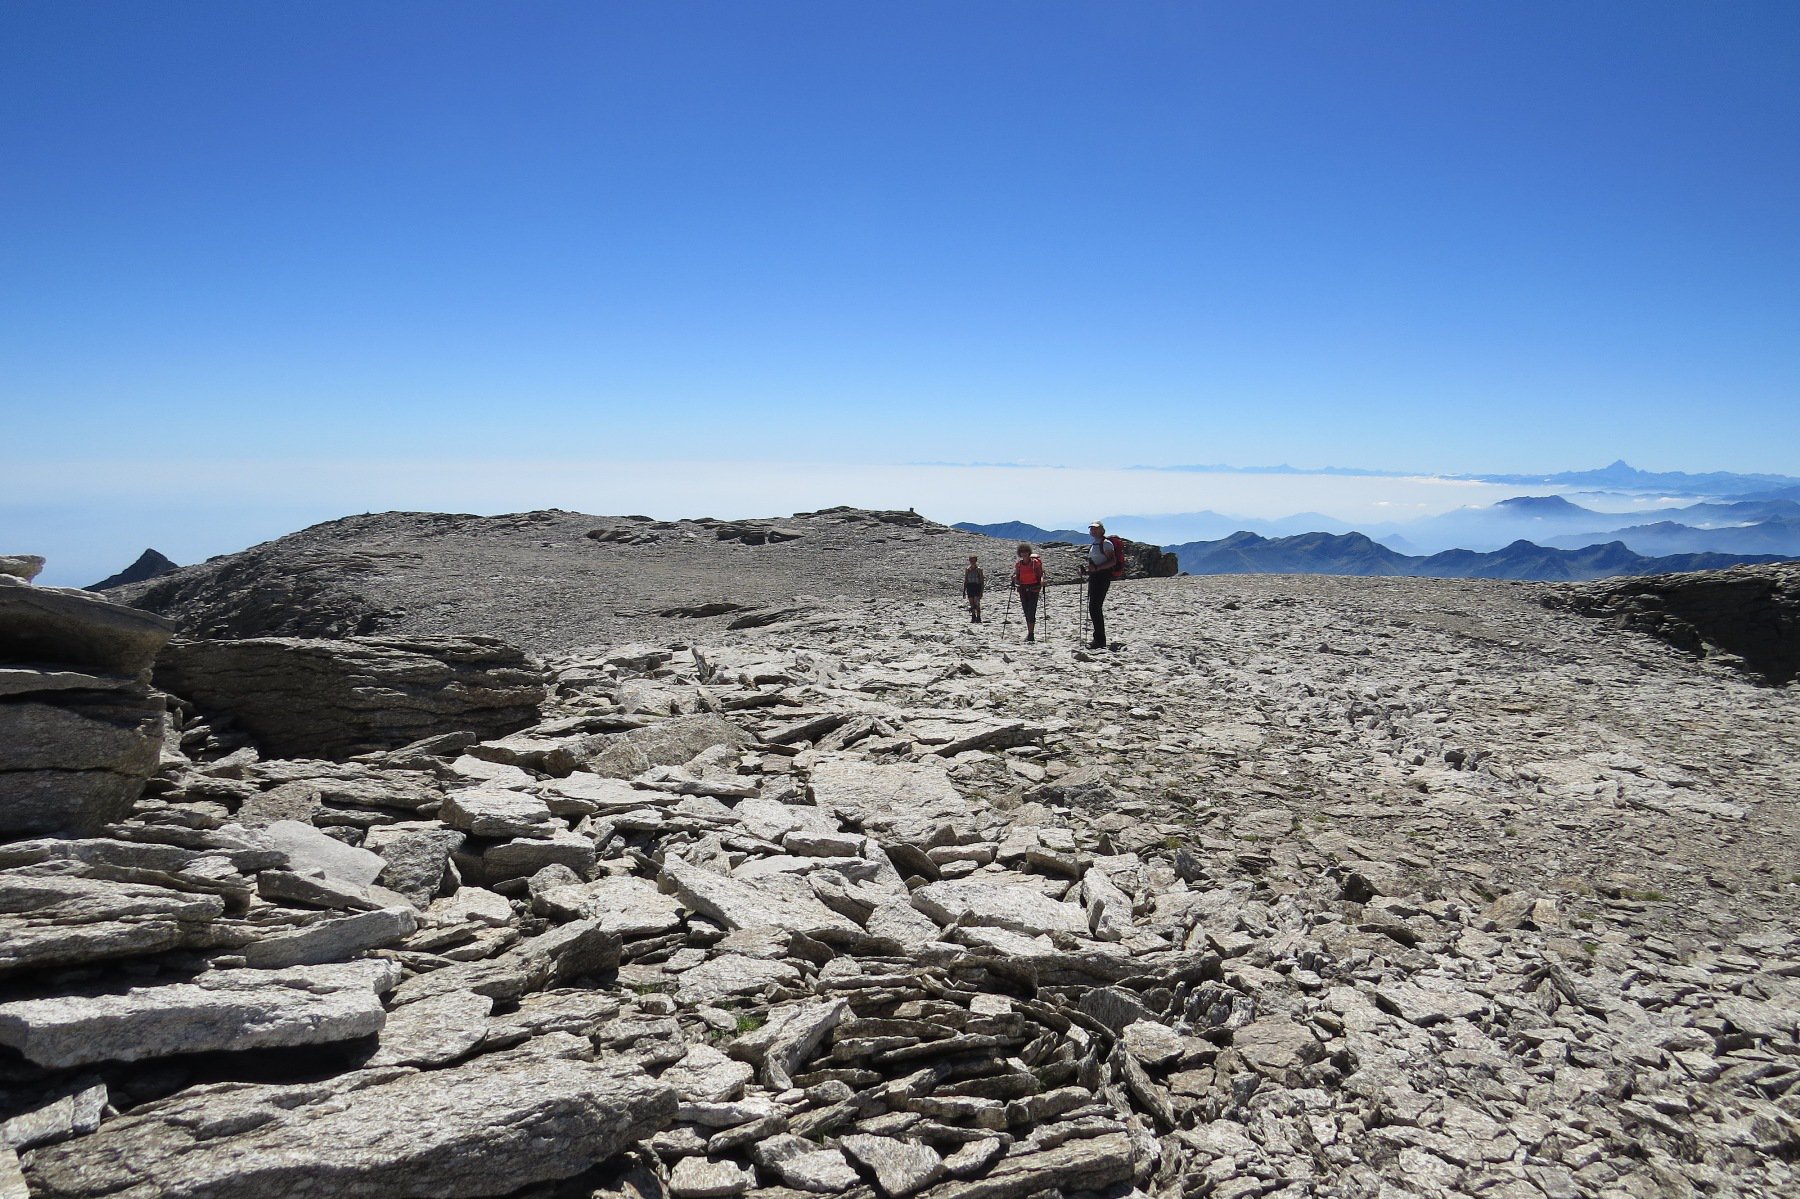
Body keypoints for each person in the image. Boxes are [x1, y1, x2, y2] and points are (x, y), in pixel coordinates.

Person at [1079, 521, 1119, 649]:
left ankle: (1100, 640)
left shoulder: (1106, 543)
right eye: (1092, 529)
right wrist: (1087, 570)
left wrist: (1097, 568)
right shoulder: (1095, 544)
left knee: (1095, 607)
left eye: (1096, 529)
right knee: (1094, 607)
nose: (1093, 531)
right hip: (1095, 576)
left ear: (1102, 530)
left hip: (1102, 576)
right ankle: (1098, 638)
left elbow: (1113, 561)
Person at [1010, 542, 1044, 642]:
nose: (1024, 554)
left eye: (1025, 552)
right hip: (1023, 589)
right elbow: (1017, 576)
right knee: (1026, 611)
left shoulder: (1035, 563)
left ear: (1029, 552)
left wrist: (1042, 581)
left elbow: (1041, 574)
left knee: (1031, 611)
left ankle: (1031, 634)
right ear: (1019, 553)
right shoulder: (1018, 565)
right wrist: (1014, 579)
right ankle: (1030, 633)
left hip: (1034, 588)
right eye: (1022, 552)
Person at [961, 555, 985, 623]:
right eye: (971, 560)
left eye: (974, 560)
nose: (972, 562)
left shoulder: (979, 570)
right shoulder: (968, 569)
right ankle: (973, 616)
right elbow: (966, 580)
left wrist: (981, 591)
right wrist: (964, 590)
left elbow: (982, 581)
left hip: (977, 586)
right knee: (971, 602)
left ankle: (979, 617)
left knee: (976, 602)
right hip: (970, 587)